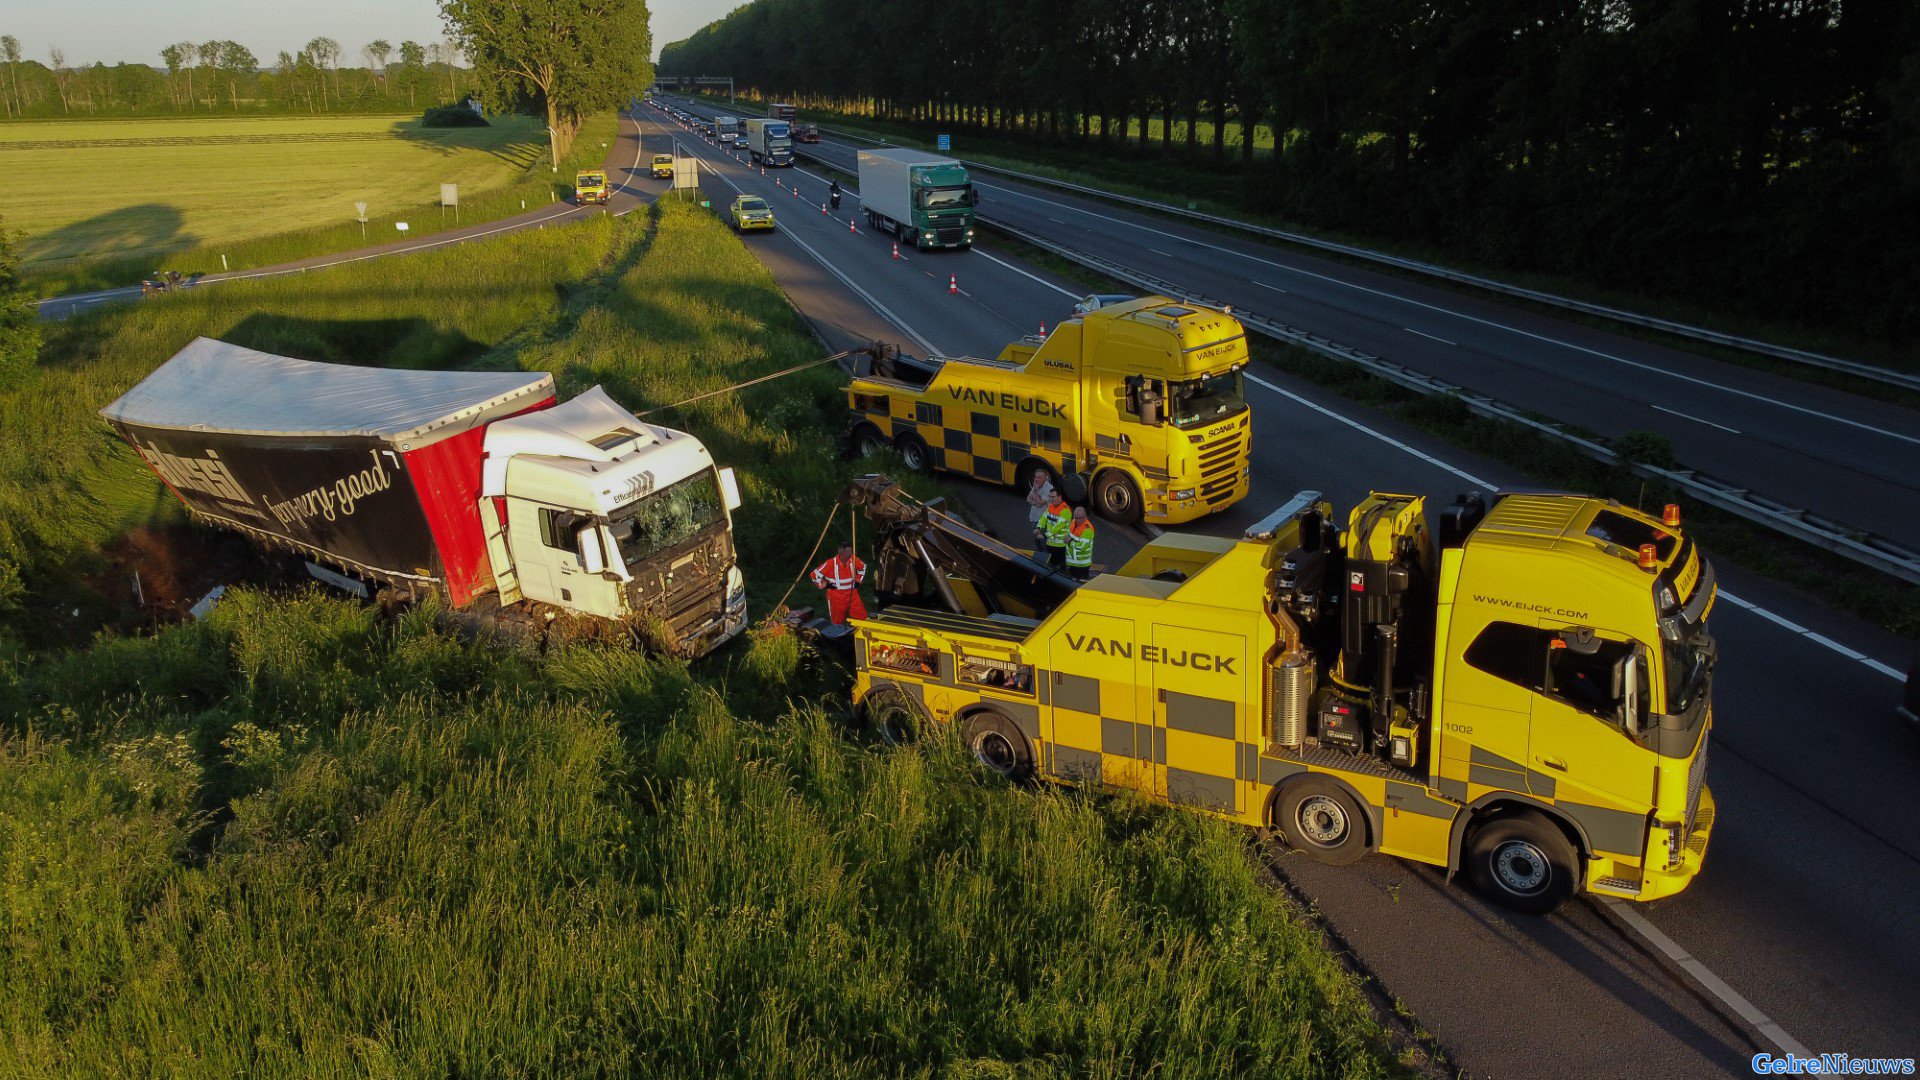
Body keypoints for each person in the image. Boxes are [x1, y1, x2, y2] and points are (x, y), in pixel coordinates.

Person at [811, 541, 868, 624]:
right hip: (836, 596)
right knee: (837, 621)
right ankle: (838, 635)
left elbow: (863, 568)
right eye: (849, 552)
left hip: (852, 594)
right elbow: (814, 575)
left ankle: (863, 634)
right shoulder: (830, 563)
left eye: (851, 551)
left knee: (862, 618)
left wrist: (859, 579)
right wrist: (823, 584)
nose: (851, 553)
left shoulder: (854, 560)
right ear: (842, 552)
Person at [1025, 467, 1056, 560]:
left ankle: (1047, 562)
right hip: (1034, 518)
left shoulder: (1049, 489)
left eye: (1039, 477)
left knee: (1043, 543)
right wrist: (1035, 500)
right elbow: (1028, 498)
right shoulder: (1037, 486)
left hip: (1043, 522)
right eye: (1035, 477)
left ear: (1045, 478)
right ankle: (1040, 561)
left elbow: (1040, 503)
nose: (1036, 479)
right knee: (1037, 542)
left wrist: (1035, 492)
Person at [1042, 490, 1072, 571]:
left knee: (1061, 565)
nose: (1051, 499)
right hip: (1051, 542)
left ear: (1060, 497)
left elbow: (1059, 526)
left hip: (1060, 544)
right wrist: (1039, 527)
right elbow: (1044, 517)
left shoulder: (1065, 510)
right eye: (1050, 497)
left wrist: (1046, 534)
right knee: (1052, 563)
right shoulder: (1051, 506)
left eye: (1053, 497)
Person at [1065, 506, 1095, 581]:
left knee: (1082, 583)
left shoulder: (1087, 530)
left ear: (1085, 517)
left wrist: (1069, 541)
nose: (1078, 520)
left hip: (1082, 564)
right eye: (1076, 517)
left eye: (1080, 518)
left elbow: (1082, 547)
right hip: (1073, 562)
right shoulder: (1073, 523)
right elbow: (1069, 534)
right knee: (1072, 582)